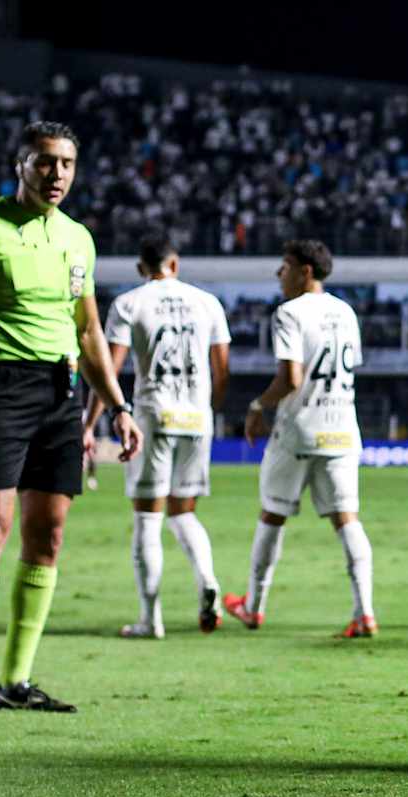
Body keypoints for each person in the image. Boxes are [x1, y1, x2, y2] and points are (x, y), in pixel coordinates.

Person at [0, 121, 143, 725]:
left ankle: (16, 679)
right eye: (44, 161)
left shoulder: (78, 239)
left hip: (60, 394)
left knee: (49, 536)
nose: (56, 173)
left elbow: (88, 332)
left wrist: (118, 406)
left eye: (66, 163)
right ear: (21, 166)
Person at [223, 239, 378, 638]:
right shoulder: (345, 312)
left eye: (285, 266)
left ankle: (254, 607)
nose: (279, 273)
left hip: (299, 430)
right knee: (347, 519)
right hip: (342, 429)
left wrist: (258, 406)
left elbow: (291, 378)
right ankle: (365, 613)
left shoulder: (290, 312)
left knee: (272, 514)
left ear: (305, 271)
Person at [85, 234, 232, 639]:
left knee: (147, 519)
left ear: (141, 268)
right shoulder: (208, 302)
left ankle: (151, 620)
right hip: (197, 419)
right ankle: (207, 580)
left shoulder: (129, 303)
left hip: (154, 416)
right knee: (183, 512)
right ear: (175, 264)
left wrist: (90, 422)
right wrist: (208, 408)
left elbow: (108, 370)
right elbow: (222, 371)